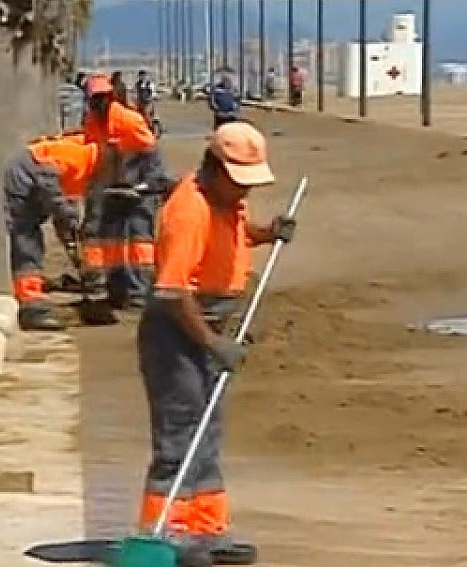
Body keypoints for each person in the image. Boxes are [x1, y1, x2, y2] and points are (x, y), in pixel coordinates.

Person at [135, 121, 296, 565]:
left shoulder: (227, 201)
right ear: (215, 167)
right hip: (177, 331)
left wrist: (268, 234)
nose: (244, 194)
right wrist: (211, 343)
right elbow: (173, 291)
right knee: (180, 431)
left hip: (209, 326)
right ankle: (165, 531)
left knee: (207, 428)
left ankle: (206, 528)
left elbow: (235, 237)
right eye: (238, 183)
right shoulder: (188, 209)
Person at [82, 74, 173, 310]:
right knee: (110, 240)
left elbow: (151, 155)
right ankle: (117, 289)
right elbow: (96, 158)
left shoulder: (128, 120)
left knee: (139, 239)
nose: (98, 103)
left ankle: (139, 293)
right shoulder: (92, 122)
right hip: (114, 185)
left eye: (103, 98)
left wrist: (145, 186)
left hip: (140, 184)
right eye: (94, 99)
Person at [4, 131, 108, 331]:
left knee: (31, 237)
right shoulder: (79, 157)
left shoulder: (83, 167)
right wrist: (66, 215)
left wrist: (70, 242)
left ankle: (31, 294)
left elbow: (63, 209)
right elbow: (49, 185)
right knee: (27, 239)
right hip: (22, 179)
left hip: (30, 178)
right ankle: (30, 304)